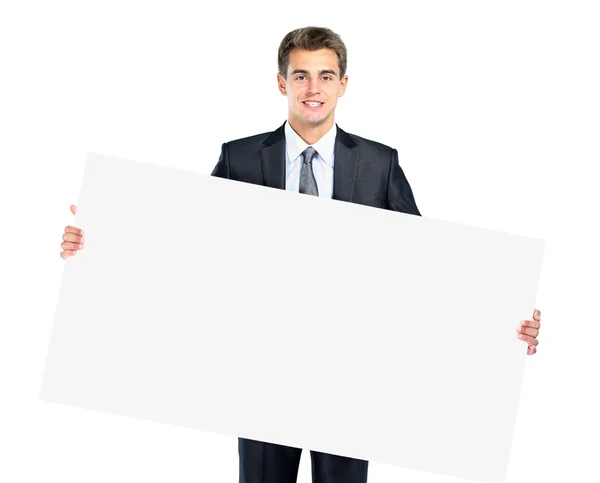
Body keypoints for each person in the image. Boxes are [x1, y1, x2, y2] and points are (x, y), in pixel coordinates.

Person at [59, 26, 542, 483]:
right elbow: (186, 242)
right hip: (262, 373)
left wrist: (502, 322)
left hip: (351, 377)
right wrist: (100, 243)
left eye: (326, 76)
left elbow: (428, 268)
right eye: (301, 75)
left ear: (344, 84)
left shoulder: (379, 163)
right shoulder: (241, 158)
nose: (313, 87)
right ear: (281, 82)